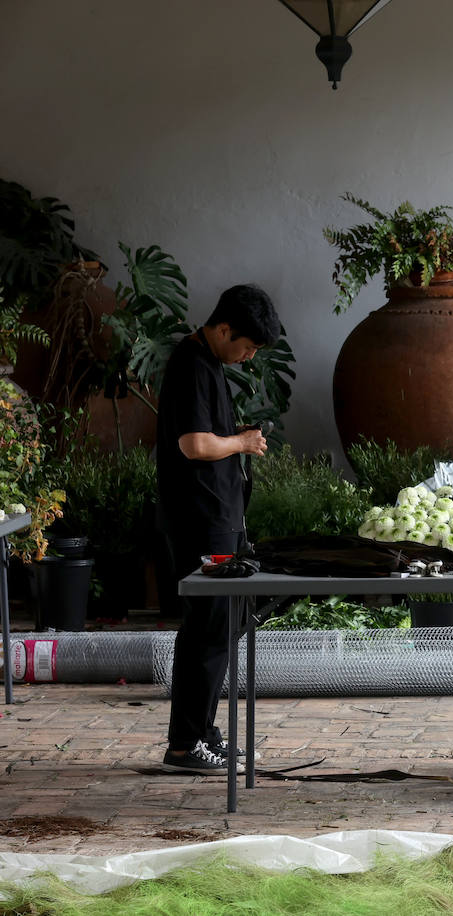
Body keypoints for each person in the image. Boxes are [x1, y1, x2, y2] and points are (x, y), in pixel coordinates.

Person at [157, 284, 280, 773]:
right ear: (222, 328)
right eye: (247, 347)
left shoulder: (207, 363)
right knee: (207, 630)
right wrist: (243, 443)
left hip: (217, 518)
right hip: (201, 521)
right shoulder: (190, 365)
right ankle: (184, 746)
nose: (249, 357)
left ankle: (203, 734)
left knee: (220, 628)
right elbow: (194, 446)